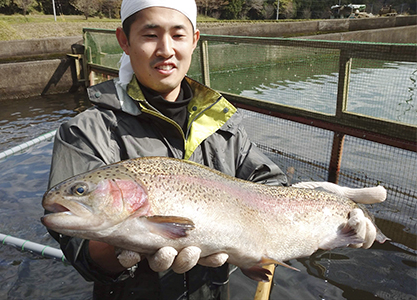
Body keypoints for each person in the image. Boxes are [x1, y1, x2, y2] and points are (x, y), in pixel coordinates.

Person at [45, 1, 382, 299]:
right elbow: (78, 250)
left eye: (178, 35)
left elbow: (270, 192)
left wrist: (322, 205)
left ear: (194, 40)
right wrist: (127, 246)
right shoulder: (84, 131)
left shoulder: (225, 128)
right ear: (124, 41)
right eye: (150, 35)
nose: (165, 49)